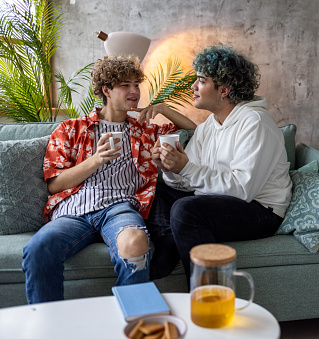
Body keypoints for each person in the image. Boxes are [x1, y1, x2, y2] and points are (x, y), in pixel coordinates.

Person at [22, 55, 196, 304]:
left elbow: (194, 130)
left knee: (136, 242)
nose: (135, 91)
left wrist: (164, 109)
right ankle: (49, 325)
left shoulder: (144, 131)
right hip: (74, 212)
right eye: (126, 85)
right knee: (37, 249)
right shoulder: (71, 129)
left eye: (137, 84)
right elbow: (55, 184)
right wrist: (95, 160)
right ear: (106, 89)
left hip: (120, 209)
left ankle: (133, 323)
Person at [146, 44, 292, 280]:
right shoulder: (208, 127)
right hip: (218, 199)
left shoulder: (255, 123)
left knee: (186, 210)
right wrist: (169, 169)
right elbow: (185, 181)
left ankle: (207, 297)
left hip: (260, 210)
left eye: (201, 81)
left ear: (224, 89)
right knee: (154, 186)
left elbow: (242, 190)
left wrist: (186, 168)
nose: (193, 87)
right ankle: (170, 239)